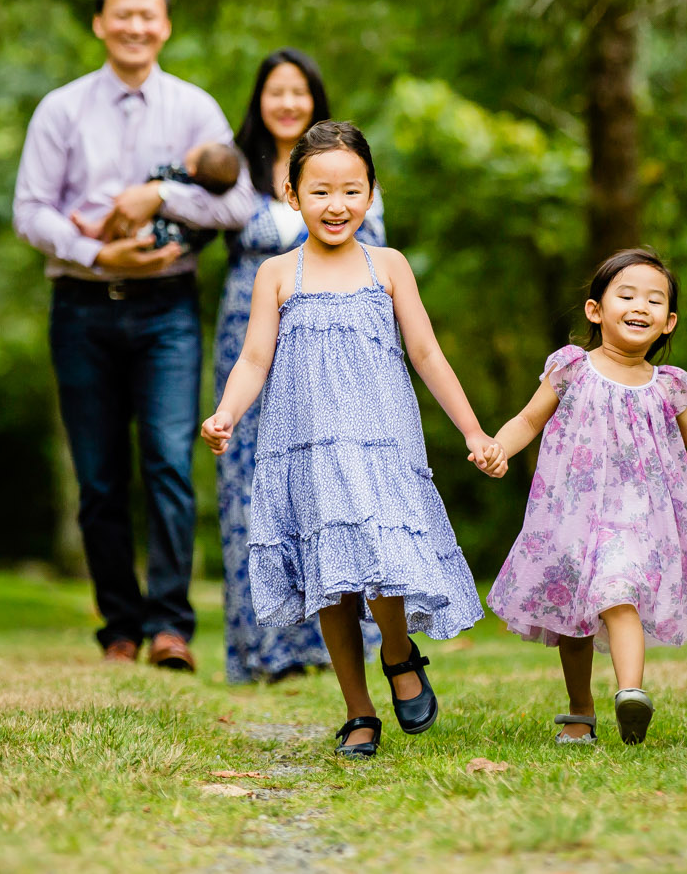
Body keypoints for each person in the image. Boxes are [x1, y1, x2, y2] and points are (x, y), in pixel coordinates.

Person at [202, 122, 498, 757]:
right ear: (291, 194)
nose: (335, 205)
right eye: (320, 191)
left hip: (380, 440)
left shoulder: (387, 266)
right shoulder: (278, 274)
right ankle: (358, 711)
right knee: (329, 579)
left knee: (384, 556)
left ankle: (397, 652)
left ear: (371, 195)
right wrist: (225, 413)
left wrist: (473, 429)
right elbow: (254, 359)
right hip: (306, 445)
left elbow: (426, 351)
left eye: (351, 190)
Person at [13, 0, 255, 672]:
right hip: (81, 306)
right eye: (122, 14)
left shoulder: (194, 110)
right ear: (99, 23)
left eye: (148, 14)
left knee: (168, 464)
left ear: (165, 25)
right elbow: (29, 211)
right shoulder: (60, 110)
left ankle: (169, 626)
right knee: (98, 477)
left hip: (166, 312)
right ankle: (118, 624)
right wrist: (97, 250)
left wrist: (158, 195)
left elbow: (235, 204)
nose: (135, 26)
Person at [476, 247, 687, 745]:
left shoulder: (668, 387)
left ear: (669, 322)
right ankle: (580, 709)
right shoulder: (571, 368)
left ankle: (630, 694)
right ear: (596, 310)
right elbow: (530, 418)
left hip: (638, 518)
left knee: (620, 591)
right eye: (627, 295)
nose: (641, 306)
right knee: (572, 617)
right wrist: (498, 448)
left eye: (654, 300)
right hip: (572, 515)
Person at [213, 49, 385, 684]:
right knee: (254, 488)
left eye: (299, 91)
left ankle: (336, 649)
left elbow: (374, 250)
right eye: (274, 91)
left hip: (332, 347)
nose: (286, 102)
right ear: (258, 101)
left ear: (315, 98)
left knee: (337, 482)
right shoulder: (234, 172)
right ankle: (264, 649)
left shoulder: (342, 168)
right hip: (247, 339)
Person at [74, 140, 243, 255]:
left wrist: (157, 192)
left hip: (145, 225)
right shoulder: (213, 197)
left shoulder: (175, 173)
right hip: (168, 242)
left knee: (126, 205)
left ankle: (98, 228)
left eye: (197, 149)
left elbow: (153, 179)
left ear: (192, 169)